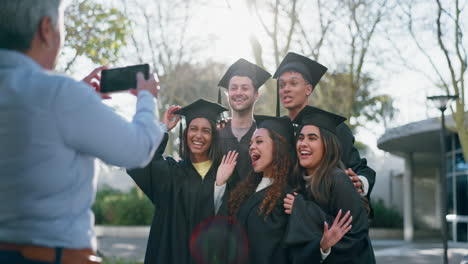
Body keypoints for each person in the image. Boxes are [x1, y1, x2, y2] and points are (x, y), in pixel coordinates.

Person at [0, 1, 163, 263]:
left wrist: (77, 95)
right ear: (46, 29)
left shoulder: (58, 96)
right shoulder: (59, 94)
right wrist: (146, 98)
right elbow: (138, 149)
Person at [126, 99, 237, 264]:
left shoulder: (224, 173)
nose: (198, 135)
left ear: (213, 136)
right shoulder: (171, 173)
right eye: (193, 129)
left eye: (206, 131)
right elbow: (137, 162)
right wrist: (162, 129)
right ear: (185, 134)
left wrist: (219, 185)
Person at [273, 52, 376, 206]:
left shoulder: (332, 128)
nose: (285, 89)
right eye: (282, 85)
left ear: (308, 89)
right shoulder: (276, 129)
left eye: (293, 83)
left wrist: (359, 182)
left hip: (321, 214)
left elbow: (359, 168)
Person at [284, 106, 375, 263]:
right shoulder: (298, 181)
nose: (303, 143)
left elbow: (354, 235)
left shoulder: (338, 180)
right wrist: (322, 247)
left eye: (312, 138)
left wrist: (301, 208)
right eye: (300, 137)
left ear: (327, 145)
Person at [217, 58, 271, 179]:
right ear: (228, 94)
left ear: (256, 95)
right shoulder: (216, 133)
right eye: (234, 88)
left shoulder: (265, 135)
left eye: (245, 88)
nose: (239, 92)